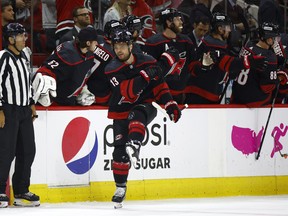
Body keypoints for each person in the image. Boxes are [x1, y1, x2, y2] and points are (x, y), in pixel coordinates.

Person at [104, 28, 182, 208]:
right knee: (119, 153)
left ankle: (136, 143)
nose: (119, 50)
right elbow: (128, 92)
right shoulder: (111, 69)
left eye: (123, 45)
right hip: (120, 111)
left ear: (131, 45)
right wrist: (147, 74)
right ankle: (120, 187)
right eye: (116, 46)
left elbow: (159, 84)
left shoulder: (147, 60)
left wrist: (169, 103)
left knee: (136, 114)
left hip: (146, 106)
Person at [185, 12, 267, 104]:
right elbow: (227, 63)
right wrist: (248, 61)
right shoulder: (212, 44)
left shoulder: (213, 42)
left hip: (205, 93)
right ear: (220, 29)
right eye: (228, 27)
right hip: (200, 95)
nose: (230, 30)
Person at [0, 23, 40, 208]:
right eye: (20, 36)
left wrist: (31, 103)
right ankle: (0, 190)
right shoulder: (3, 57)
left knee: (28, 150)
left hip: (24, 110)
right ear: (10, 39)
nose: (25, 38)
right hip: (8, 110)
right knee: (5, 152)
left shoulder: (24, 55)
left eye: (24, 35)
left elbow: (26, 81)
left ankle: (21, 190)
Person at [33, 27, 99, 106]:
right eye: (95, 42)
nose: (97, 44)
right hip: (56, 103)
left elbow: (81, 74)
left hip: (70, 102)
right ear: (88, 43)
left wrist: (82, 90)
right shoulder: (68, 53)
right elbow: (46, 70)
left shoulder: (89, 54)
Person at [143, 8, 196, 104]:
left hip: (180, 95)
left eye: (181, 19)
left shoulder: (186, 41)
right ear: (168, 22)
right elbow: (150, 72)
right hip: (159, 96)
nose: (181, 22)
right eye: (177, 19)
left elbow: (193, 66)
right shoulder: (153, 43)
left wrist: (205, 65)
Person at [231, 22, 288, 107]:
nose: (276, 41)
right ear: (268, 39)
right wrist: (280, 77)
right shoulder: (270, 57)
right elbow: (267, 87)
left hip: (236, 97)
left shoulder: (248, 45)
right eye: (274, 38)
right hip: (254, 102)